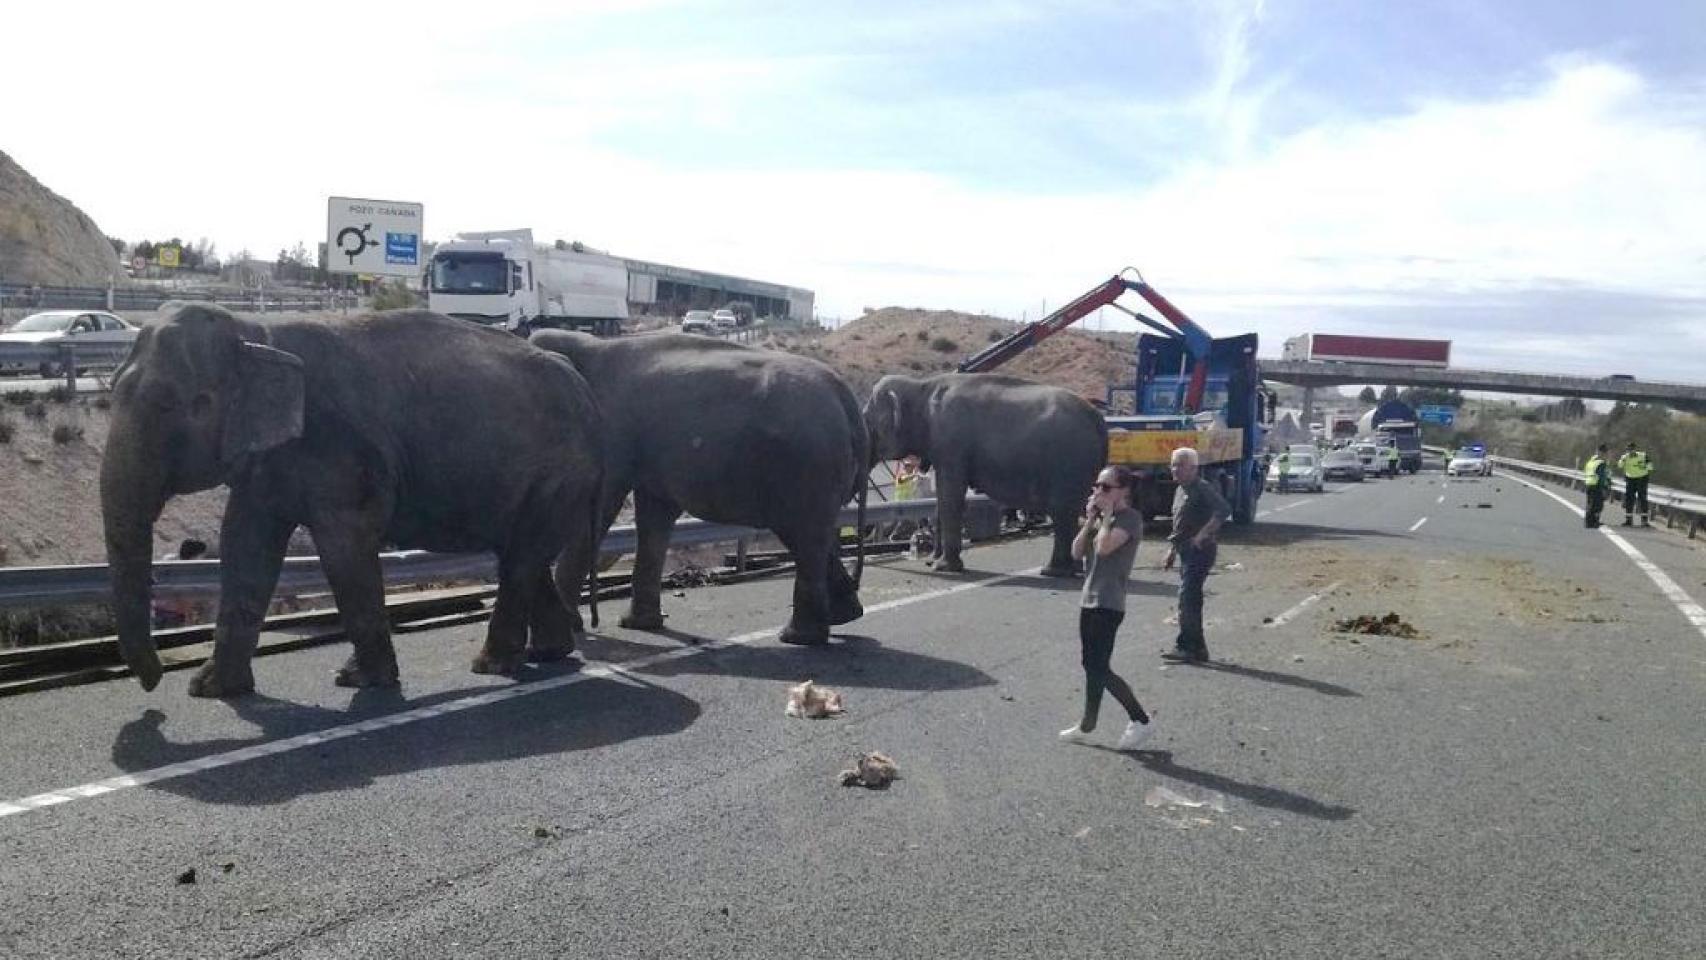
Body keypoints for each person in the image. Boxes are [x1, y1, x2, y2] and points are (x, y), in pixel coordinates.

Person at [1058, 465, 1154, 752]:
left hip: (1109, 602)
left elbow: (1104, 549)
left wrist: (1108, 516)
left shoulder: (1130, 519)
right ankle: (1087, 723)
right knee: (1092, 666)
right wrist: (1090, 521)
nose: (1098, 492)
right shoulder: (1100, 519)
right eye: (1096, 486)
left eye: (1106, 487)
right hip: (1089, 600)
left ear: (1123, 491)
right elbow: (1076, 552)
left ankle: (1141, 719)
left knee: (1099, 667)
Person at [1162, 447, 1230, 663]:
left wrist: (1202, 535)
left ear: (1193, 468)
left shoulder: (1201, 487)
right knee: (1190, 599)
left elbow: (1223, 510)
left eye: (1180, 465)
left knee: (1187, 598)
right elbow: (1180, 524)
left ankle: (1187, 646)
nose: (1175, 469)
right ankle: (1197, 648)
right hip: (1184, 549)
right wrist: (1172, 551)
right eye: (1173, 464)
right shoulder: (1180, 490)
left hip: (1200, 551)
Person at [1617, 441, 1653, 527]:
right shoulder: (1624, 457)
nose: (1630, 451)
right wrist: (1623, 460)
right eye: (1628, 450)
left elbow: (1650, 466)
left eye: (1631, 449)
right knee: (1629, 500)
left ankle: (1644, 521)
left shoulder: (1643, 455)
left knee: (1642, 499)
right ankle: (1628, 520)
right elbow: (1620, 466)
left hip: (1641, 479)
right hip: (1630, 479)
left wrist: (1646, 472)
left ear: (1635, 449)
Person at [1583, 443, 1611, 529]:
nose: (1606, 455)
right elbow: (1602, 477)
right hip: (1597, 485)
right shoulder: (1601, 463)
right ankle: (1594, 522)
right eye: (1606, 453)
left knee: (1590, 504)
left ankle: (1588, 522)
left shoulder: (1591, 462)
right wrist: (1605, 487)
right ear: (1603, 453)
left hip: (1589, 484)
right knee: (1597, 505)